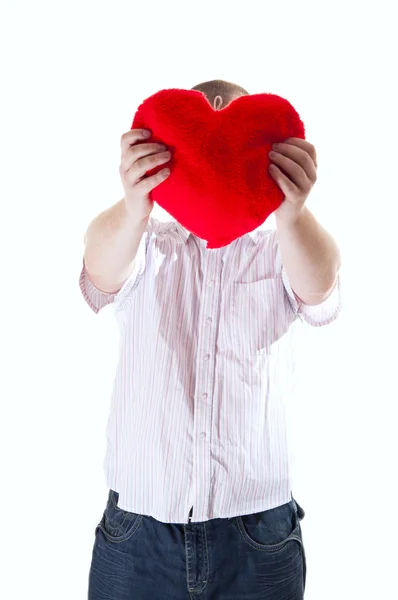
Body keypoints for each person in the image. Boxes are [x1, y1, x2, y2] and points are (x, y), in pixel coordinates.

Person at [81, 79, 342, 600]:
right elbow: (99, 271)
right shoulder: (145, 245)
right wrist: (135, 205)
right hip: (137, 527)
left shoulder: (278, 249)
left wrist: (292, 211)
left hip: (258, 529)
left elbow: (321, 289)